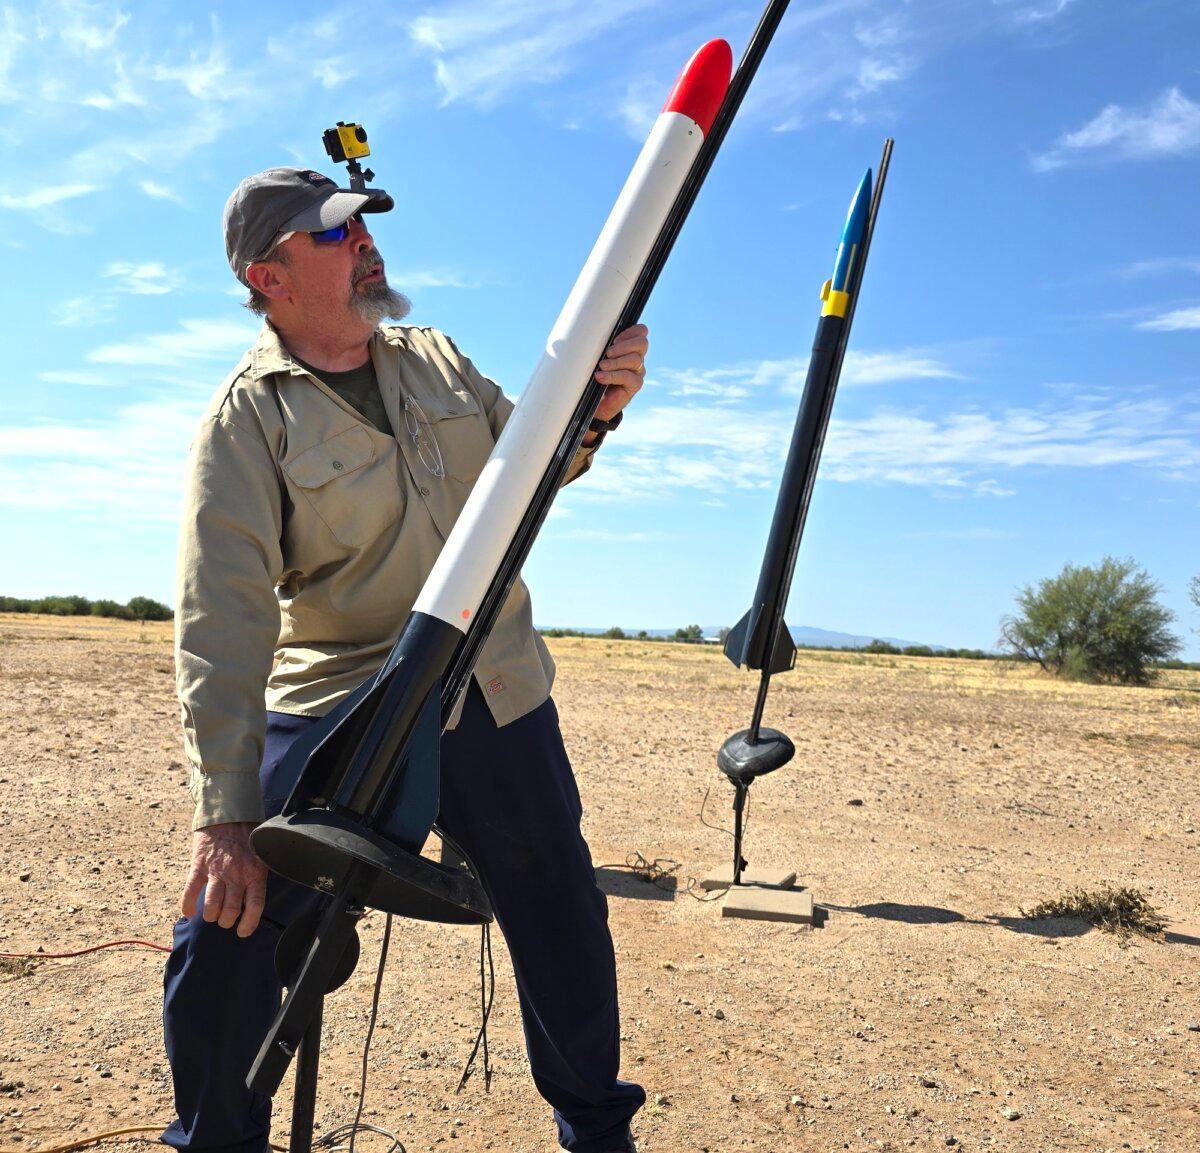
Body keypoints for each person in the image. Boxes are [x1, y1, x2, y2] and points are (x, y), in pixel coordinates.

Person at [161, 167, 649, 1153]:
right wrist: (227, 814)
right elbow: (224, 621)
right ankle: (215, 1139)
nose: (365, 244)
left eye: (364, 230)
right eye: (336, 235)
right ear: (270, 275)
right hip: (347, 692)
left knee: (560, 911)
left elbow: (540, 462)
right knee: (227, 923)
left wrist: (595, 408)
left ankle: (597, 1134)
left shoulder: (438, 360)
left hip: (492, 677)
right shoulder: (247, 419)